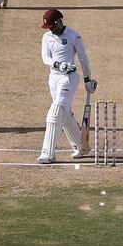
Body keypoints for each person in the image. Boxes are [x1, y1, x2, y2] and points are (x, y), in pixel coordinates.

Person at [39, 9, 97, 163]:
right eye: (49, 27)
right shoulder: (47, 37)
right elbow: (45, 58)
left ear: (59, 21)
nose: (51, 29)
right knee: (64, 114)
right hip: (54, 78)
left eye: (53, 26)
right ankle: (81, 146)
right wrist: (58, 64)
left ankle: (48, 154)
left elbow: (83, 58)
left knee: (55, 113)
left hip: (68, 78)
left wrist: (88, 79)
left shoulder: (73, 35)